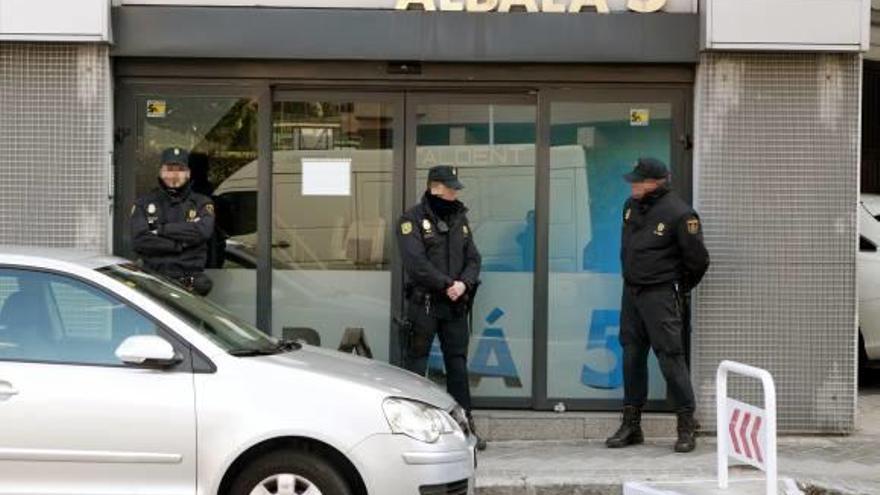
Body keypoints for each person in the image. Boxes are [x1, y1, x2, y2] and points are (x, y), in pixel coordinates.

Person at [606, 157, 710, 453]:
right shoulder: (630, 206)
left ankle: (686, 426)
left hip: (661, 294)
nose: (633, 184)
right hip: (633, 293)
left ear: (656, 182)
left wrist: (678, 288)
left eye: (639, 180)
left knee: (670, 358)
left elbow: (699, 260)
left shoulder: (680, 213)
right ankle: (632, 425)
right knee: (631, 356)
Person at [397, 165, 485, 450]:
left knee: (457, 365)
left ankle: (465, 428)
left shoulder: (460, 218)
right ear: (435, 187)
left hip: (455, 306)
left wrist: (463, 284)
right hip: (425, 305)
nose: (455, 192)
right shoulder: (411, 220)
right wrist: (447, 283)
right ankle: (412, 431)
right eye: (450, 187)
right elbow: (415, 264)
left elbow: (474, 258)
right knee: (416, 366)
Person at [130, 147, 215, 296]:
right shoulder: (144, 203)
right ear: (161, 172)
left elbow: (202, 231)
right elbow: (140, 240)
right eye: (169, 169)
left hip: (190, 285)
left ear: (188, 173)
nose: (174, 175)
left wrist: (161, 230)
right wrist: (178, 245)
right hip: (153, 283)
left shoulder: (201, 203)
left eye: (180, 170)